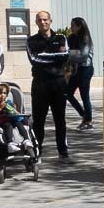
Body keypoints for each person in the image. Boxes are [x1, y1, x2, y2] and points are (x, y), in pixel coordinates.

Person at [26, 11, 70, 160]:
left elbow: (65, 57)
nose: (43, 22)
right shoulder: (31, 41)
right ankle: (37, 152)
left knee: (60, 119)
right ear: (36, 22)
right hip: (40, 84)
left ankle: (63, 153)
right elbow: (34, 60)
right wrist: (54, 57)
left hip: (58, 83)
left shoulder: (61, 38)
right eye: (39, 20)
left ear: (50, 21)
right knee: (39, 120)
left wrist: (44, 56)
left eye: (45, 19)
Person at [64, 17, 95, 131]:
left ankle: (89, 120)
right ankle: (84, 115)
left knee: (84, 95)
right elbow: (64, 50)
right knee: (67, 93)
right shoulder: (71, 38)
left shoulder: (85, 39)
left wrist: (69, 54)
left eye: (73, 26)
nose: (71, 28)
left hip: (85, 69)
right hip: (76, 70)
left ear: (80, 26)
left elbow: (83, 56)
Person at [0, 82, 32, 151]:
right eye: (0, 93)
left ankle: (26, 140)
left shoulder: (8, 102)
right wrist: (0, 108)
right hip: (1, 122)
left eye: (4, 93)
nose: (2, 95)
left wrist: (14, 109)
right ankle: (10, 143)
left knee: (19, 124)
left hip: (12, 119)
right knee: (8, 126)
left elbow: (14, 111)